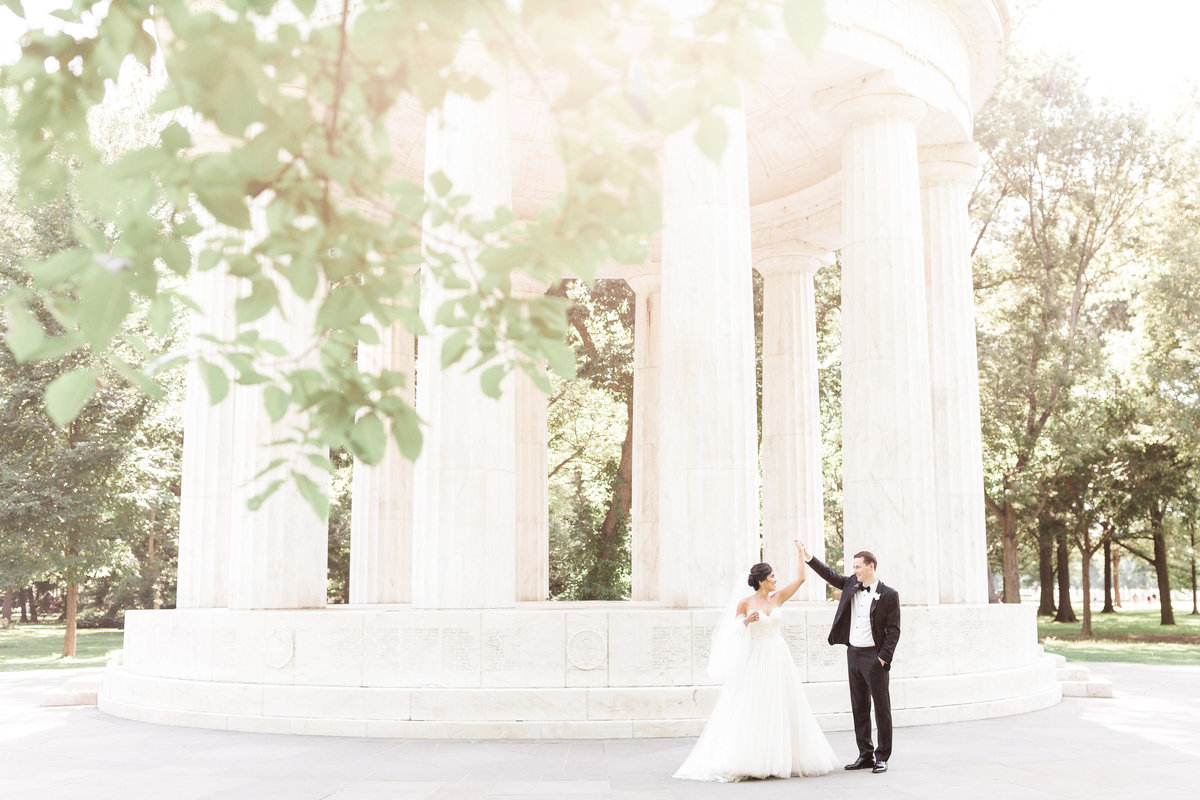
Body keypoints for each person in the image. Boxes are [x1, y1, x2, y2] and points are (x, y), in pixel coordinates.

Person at [674, 540, 838, 782]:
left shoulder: (777, 598)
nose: (775, 580)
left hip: (779, 656)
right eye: (772, 576)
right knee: (756, 705)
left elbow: (801, 580)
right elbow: (729, 633)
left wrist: (801, 555)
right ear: (761, 580)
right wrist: (746, 622)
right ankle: (753, 757)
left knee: (781, 704)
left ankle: (781, 758)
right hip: (756, 657)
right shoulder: (745, 603)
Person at [798, 539, 900, 774]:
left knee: (882, 708)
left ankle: (882, 756)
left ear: (871, 566)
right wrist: (808, 556)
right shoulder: (851, 585)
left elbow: (894, 630)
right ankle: (865, 755)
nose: (854, 571)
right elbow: (830, 575)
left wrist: (883, 658)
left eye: (858, 567)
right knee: (859, 707)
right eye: (853, 567)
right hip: (853, 653)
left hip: (875, 657)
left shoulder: (889, 595)